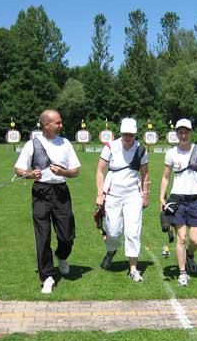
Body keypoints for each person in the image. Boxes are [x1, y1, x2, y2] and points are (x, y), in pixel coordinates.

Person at [14, 110, 81, 294]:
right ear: (46, 125)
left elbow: (76, 171)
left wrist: (63, 172)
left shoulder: (65, 143)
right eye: (57, 123)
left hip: (61, 192)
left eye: (60, 122)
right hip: (41, 193)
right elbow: (19, 169)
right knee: (42, 237)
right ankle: (47, 276)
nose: (61, 125)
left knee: (67, 236)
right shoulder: (32, 144)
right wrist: (29, 174)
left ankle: (62, 256)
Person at [159, 118, 197, 286]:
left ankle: (190, 255)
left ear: (190, 133)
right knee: (181, 238)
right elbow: (166, 177)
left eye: (186, 132)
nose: (183, 135)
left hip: (196, 200)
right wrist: (161, 197)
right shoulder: (171, 153)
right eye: (180, 132)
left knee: (195, 239)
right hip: (177, 200)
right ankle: (182, 273)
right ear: (176, 134)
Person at [95, 118, 149, 282]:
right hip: (113, 194)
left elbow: (145, 174)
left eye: (131, 134)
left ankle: (133, 268)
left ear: (135, 134)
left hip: (133, 195)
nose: (127, 137)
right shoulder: (110, 147)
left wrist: (145, 195)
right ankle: (111, 250)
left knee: (133, 231)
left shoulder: (141, 149)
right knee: (113, 231)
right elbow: (100, 171)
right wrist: (100, 194)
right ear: (121, 133)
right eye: (125, 134)